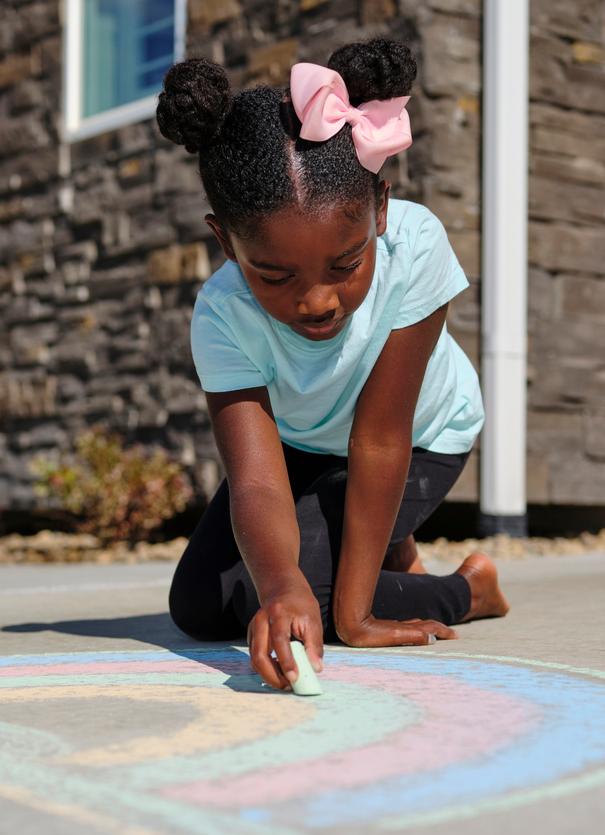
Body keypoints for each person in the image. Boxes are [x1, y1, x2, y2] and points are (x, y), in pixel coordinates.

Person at [157, 38, 511, 692]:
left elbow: (379, 435)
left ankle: (467, 589)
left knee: (323, 608)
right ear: (223, 241)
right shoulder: (221, 315)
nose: (316, 300)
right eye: (274, 275)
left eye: (344, 266)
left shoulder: (413, 247)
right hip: (305, 443)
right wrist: (281, 582)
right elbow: (257, 483)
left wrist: (356, 613)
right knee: (201, 607)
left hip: (412, 439)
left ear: (379, 207)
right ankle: (379, 548)